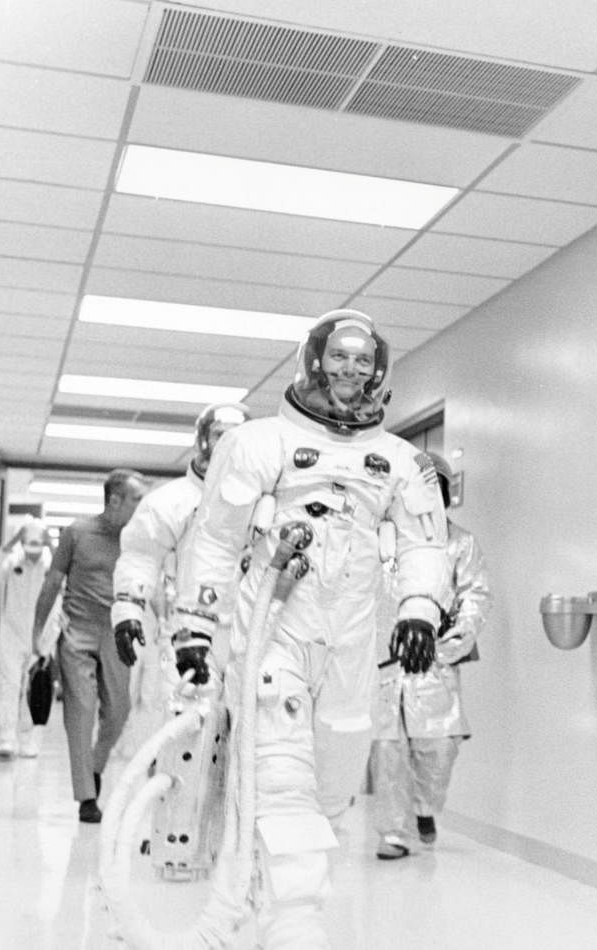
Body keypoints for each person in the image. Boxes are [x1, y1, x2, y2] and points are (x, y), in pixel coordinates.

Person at [172, 308, 450, 947]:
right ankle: (296, 925)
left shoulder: (400, 459)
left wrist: (418, 610)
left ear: (377, 372)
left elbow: (424, 544)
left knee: (333, 782)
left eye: (363, 361)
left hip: (352, 640)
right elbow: (215, 542)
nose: (349, 371)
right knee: (281, 775)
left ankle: (257, 873)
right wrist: (196, 627)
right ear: (314, 361)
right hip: (277, 626)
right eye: (338, 357)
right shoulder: (258, 443)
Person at [370, 451, 491, 860]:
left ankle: (425, 807)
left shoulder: (460, 543)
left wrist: (450, 644)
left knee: (438, 749)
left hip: (435, 660)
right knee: (388, 751)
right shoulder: (384, 540)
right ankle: (393, 834)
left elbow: (475, 596)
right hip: (386, 662)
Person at [110, 402, 251, 753]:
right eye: (220, 435)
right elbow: (141, 555)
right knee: (188, 741)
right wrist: (128, 609)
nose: (227, 444)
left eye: (236, 437)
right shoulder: (171, 502)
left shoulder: (262, 502)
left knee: (249, 747)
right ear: (203, 439)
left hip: (251, 635)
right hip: (187, 636)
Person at [32, 468, 148, 823]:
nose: (142, 507)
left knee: (119, 711)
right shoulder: (76, 533)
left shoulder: (139, 539)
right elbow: (53, 582)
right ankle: (86, 797)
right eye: (136, 499)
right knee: (80, 714)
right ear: (114, 499)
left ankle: (94, 768)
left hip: (116, 632)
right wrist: (38, 632)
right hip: (77, 632)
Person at [0, 517, 54, 759]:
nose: (33, 553)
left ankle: (32, 740)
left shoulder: (51, 563)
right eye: (29, 546)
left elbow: (69, 583)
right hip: (12, 632)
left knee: (38, 688)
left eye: (38, 547)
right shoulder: (13, 560)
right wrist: (11, 542)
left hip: (42, 635)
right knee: (9, 686)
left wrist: (52, 545)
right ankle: (6, 740)